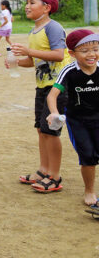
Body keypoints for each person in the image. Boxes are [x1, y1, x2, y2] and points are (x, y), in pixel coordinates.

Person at [9, 0, 72, 192]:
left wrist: (28, 51)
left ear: (47, 8)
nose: (27, 6)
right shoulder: (34, 31)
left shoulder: (53, 28)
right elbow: (36, 60)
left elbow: (58, 55)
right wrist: (18, 61)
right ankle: (44, 170)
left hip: (58, 87)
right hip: (43, 86)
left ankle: (54, 176)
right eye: (27, 2)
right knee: (41, 129)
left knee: (51, 131)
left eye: (33, 2)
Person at [45, 30, 99, 204]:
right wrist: (54, 112)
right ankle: (89, 191)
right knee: (88, 156)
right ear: (72, 53)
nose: (91, 54)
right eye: (84, 51)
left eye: (95, 49)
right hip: (78, 121)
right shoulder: (69, 71)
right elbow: (52, 95)